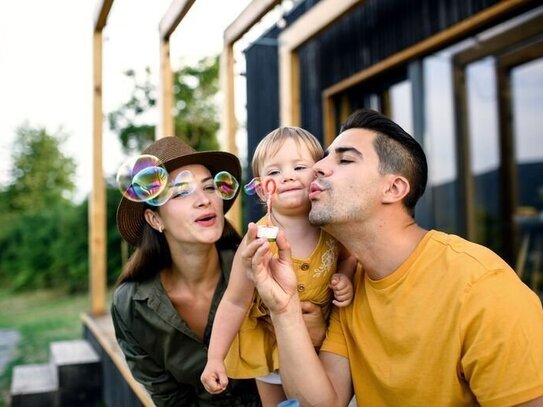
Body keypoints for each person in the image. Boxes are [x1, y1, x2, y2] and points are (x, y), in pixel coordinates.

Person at [242, 110, 543, 406]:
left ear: (394, 188)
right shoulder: (347, 287)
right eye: (324, 157)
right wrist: (284, 309)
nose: (318, 167)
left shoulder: (480, 286)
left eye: (344, 159)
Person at [201, 127, 357, 406]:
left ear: (319, 174)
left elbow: (348, 257)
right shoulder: (257, 242)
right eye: (274, 172)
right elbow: (235, 302)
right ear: (262, 189)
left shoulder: (332, 225)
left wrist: (344, 278)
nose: (286, 176)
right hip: (269, 343)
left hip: (325, 338)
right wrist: (214, 358)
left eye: (299, 166)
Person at [110, 136, 263, 406]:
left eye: (209, 187)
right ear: (155, 219)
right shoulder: (131, 306)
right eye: (181, 191)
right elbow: (171, 400)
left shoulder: (258, 266)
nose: (204, 200)